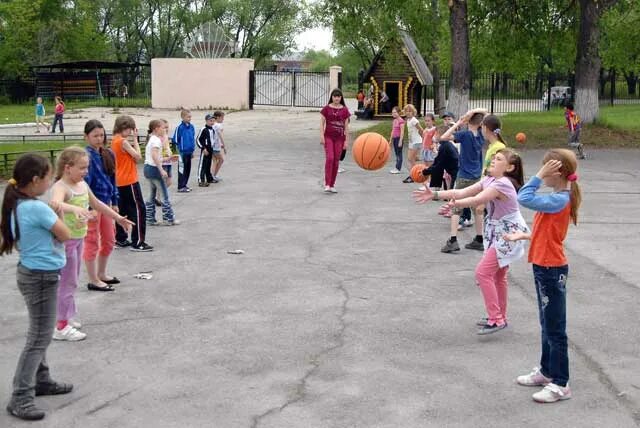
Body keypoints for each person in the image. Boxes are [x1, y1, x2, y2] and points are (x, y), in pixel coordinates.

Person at [414, 148, 528, 334]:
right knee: (498, 276)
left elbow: (477, 199)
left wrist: (455, 205)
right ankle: (500, 316)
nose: (493, 160)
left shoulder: (503, 184)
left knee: (483, 273)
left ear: (509, 167)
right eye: (493, 157)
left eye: (498, 159)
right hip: (497, 231)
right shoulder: (490, 179)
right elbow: (462, 191)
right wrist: (434, 195)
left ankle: (496, 319)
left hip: (509, 233)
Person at [506, 149, 582, 403]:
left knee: (555, 329)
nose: (541, 172)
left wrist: (538, 176)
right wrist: (525, 236)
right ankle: (547, 371)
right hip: (543, 266)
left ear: (555, 172)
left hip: (551, 270)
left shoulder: (560, 199)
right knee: (546, 324)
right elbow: (547, 232)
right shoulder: (555, 198)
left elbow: (523, 197)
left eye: (545, 168)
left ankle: (561, 383)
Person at [1, 154, 73, 421]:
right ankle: (20, 396)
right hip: (41, 277)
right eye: (48, 176)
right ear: (35, 180)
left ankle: (41, 380)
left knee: (39, 331)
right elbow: (65, 233)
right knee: (39, 337)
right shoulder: (36, 208)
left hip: (32, 273)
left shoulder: (18, 203)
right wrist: (59, 214)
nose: (51, 181)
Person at [50, 147, 134, 341]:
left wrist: (119, 218)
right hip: (66, 242)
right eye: (82, 168)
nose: (86, 172)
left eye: (87, 167)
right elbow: (55, 204)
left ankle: (67, 316)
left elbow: (97, 205)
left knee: (72, 281)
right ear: (67, 167)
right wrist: (73, 209)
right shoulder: (61, 187)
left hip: (78, 238)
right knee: (67, 282)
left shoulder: (82, 185)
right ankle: (61, 326)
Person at [438, 108, 487, 253]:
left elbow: (444, 137)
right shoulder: (481, 135)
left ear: (468, 121)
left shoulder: (464, 135)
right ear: (480, 123)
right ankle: (479, 239)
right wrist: (475, 113)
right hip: (477, 177)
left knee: (455, 208)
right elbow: (486, 114)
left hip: (464, 176)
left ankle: (453, 240)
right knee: (477, 209)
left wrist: (459, 122)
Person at [82, 120, 122, 291]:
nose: (99, 139)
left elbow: (113, 180)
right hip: (91, 206)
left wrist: (115, 202)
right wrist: (87, 208)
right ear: (86, 137)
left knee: (109, 238)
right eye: (95, 136)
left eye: (101, 135)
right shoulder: (85, 157)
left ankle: (101, 273)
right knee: (91, 241)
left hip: (106, 204)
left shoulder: (108, 154)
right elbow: (83, 184)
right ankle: (93, 279)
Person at [112, 115, 152, 252]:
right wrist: (135, 139)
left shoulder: (114, 140)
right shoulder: (123, 141)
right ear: (124, 127)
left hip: (119, 180)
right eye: (130, 129)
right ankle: (138, 241)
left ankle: (121, 238)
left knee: (123, 210)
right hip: (129, 180)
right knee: (139, 209)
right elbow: (138, 156)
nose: (130, 132)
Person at [144, 120, 180, 226]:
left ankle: (149, 218)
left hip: (148, 168)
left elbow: (155, 157)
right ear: (156, 128)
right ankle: (168, 219)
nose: (165, 130)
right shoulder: (156, 141)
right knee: (164, 195)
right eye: (163, 128)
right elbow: (155, 156)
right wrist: (161, 169)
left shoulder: (152, 139)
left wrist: (168, 158)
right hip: (154, 169)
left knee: (151, 194)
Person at [320, 88, 351, 193]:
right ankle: (327, 184)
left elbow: (346, 127)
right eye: (334, 96)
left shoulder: (345, 110)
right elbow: (321, 123)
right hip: (328, 136)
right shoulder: (326, 109)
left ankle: (332, 185)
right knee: (330, 158)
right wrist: (321, 136)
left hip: (340, 138)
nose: (336, 98)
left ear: (341, 98)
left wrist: (346, 141)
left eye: (338, 96)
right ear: (331, 97)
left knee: (336, 161)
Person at [420, 125, 459, 191]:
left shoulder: (444, 147)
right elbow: (437, 162)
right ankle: (437, 189)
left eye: (435, 134)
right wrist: (427, 170)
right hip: (451, 172)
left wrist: (425, 172)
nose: (434, 136)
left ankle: (437, 191)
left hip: (455, 174)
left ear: (440, 135)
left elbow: (438, 165)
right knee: (436, 169)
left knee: (452, 194)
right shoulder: (446, 144)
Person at [172, 109, 196, 193]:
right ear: (182, 117)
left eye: (190, 117)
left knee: (187, 169)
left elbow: (192, 139)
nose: (189, 118)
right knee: (181, 169)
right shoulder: (179, 128)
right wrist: (176, 152)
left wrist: (192, 150)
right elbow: (175, 140)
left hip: (189, 152)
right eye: (188, 117)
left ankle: (185, 185)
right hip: (182, 153)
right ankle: (180, 186)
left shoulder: (192, 127)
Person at [402, 104, 424, 183]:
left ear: (413, 112)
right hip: (411, 142)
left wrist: (425, 139)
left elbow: (421, 130)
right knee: (409, 159)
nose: (408, 113)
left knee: (411, 159)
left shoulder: (414, 120)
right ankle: (415, 174)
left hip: (417, 141)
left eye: (410, 111)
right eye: (406, 111)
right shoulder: (408, 120)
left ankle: (413, 176)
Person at [197, 113, 216, 186]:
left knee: (208, 165)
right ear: (206, 121)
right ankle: (201, 180)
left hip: (210, 149)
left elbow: (212, 139)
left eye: (213, 121)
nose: (212, 122)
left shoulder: (212, 130)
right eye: (210, 121)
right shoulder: (203, 129)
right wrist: (203, 148)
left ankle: (209, 178)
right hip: (205, 149)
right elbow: (198, 140)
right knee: (203, 165)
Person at [388, 106, 405, 174]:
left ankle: (398, 168)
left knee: (399, 154)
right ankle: (396, 167)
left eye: (395, 112)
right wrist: (390, 139)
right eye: (392, 113)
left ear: (399, 113)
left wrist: (400, 141)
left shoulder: (401, 121)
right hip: (395, 139)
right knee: (396, 153)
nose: (393, 114)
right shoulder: (394, 120)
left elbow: (402, 132)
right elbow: (393, 130)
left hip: (399, 139)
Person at [211, 111, 226, 181]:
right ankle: (213, 175)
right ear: (217, 117)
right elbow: (220, 136)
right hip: (215, 147)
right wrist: (224, 145)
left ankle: (213, 175)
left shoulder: (213, 124)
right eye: (222, 118)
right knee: (220, 160)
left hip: (212, 146)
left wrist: (221, 144)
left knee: (215, 161)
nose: (223, 119)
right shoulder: (218, 125)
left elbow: (214, 136)